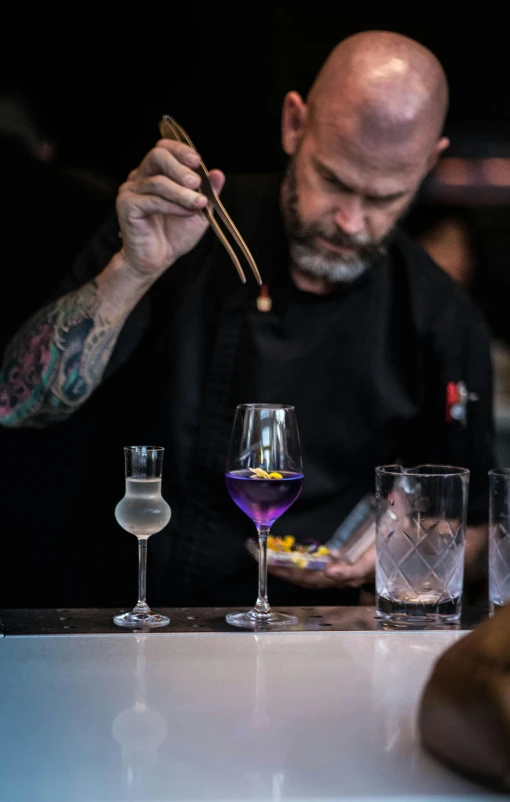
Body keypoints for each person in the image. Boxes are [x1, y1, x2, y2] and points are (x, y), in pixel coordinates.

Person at [0, 31, 494, 608]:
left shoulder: (439, 318)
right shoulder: (181, 229)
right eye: (333, 180)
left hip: (311, 639)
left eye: (385, 198)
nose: (350, 221)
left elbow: (477, 525)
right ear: (293, 125)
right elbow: (18, 403)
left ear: (429, 163)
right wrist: (132, 270)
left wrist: (397, 549)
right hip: (121, 616)